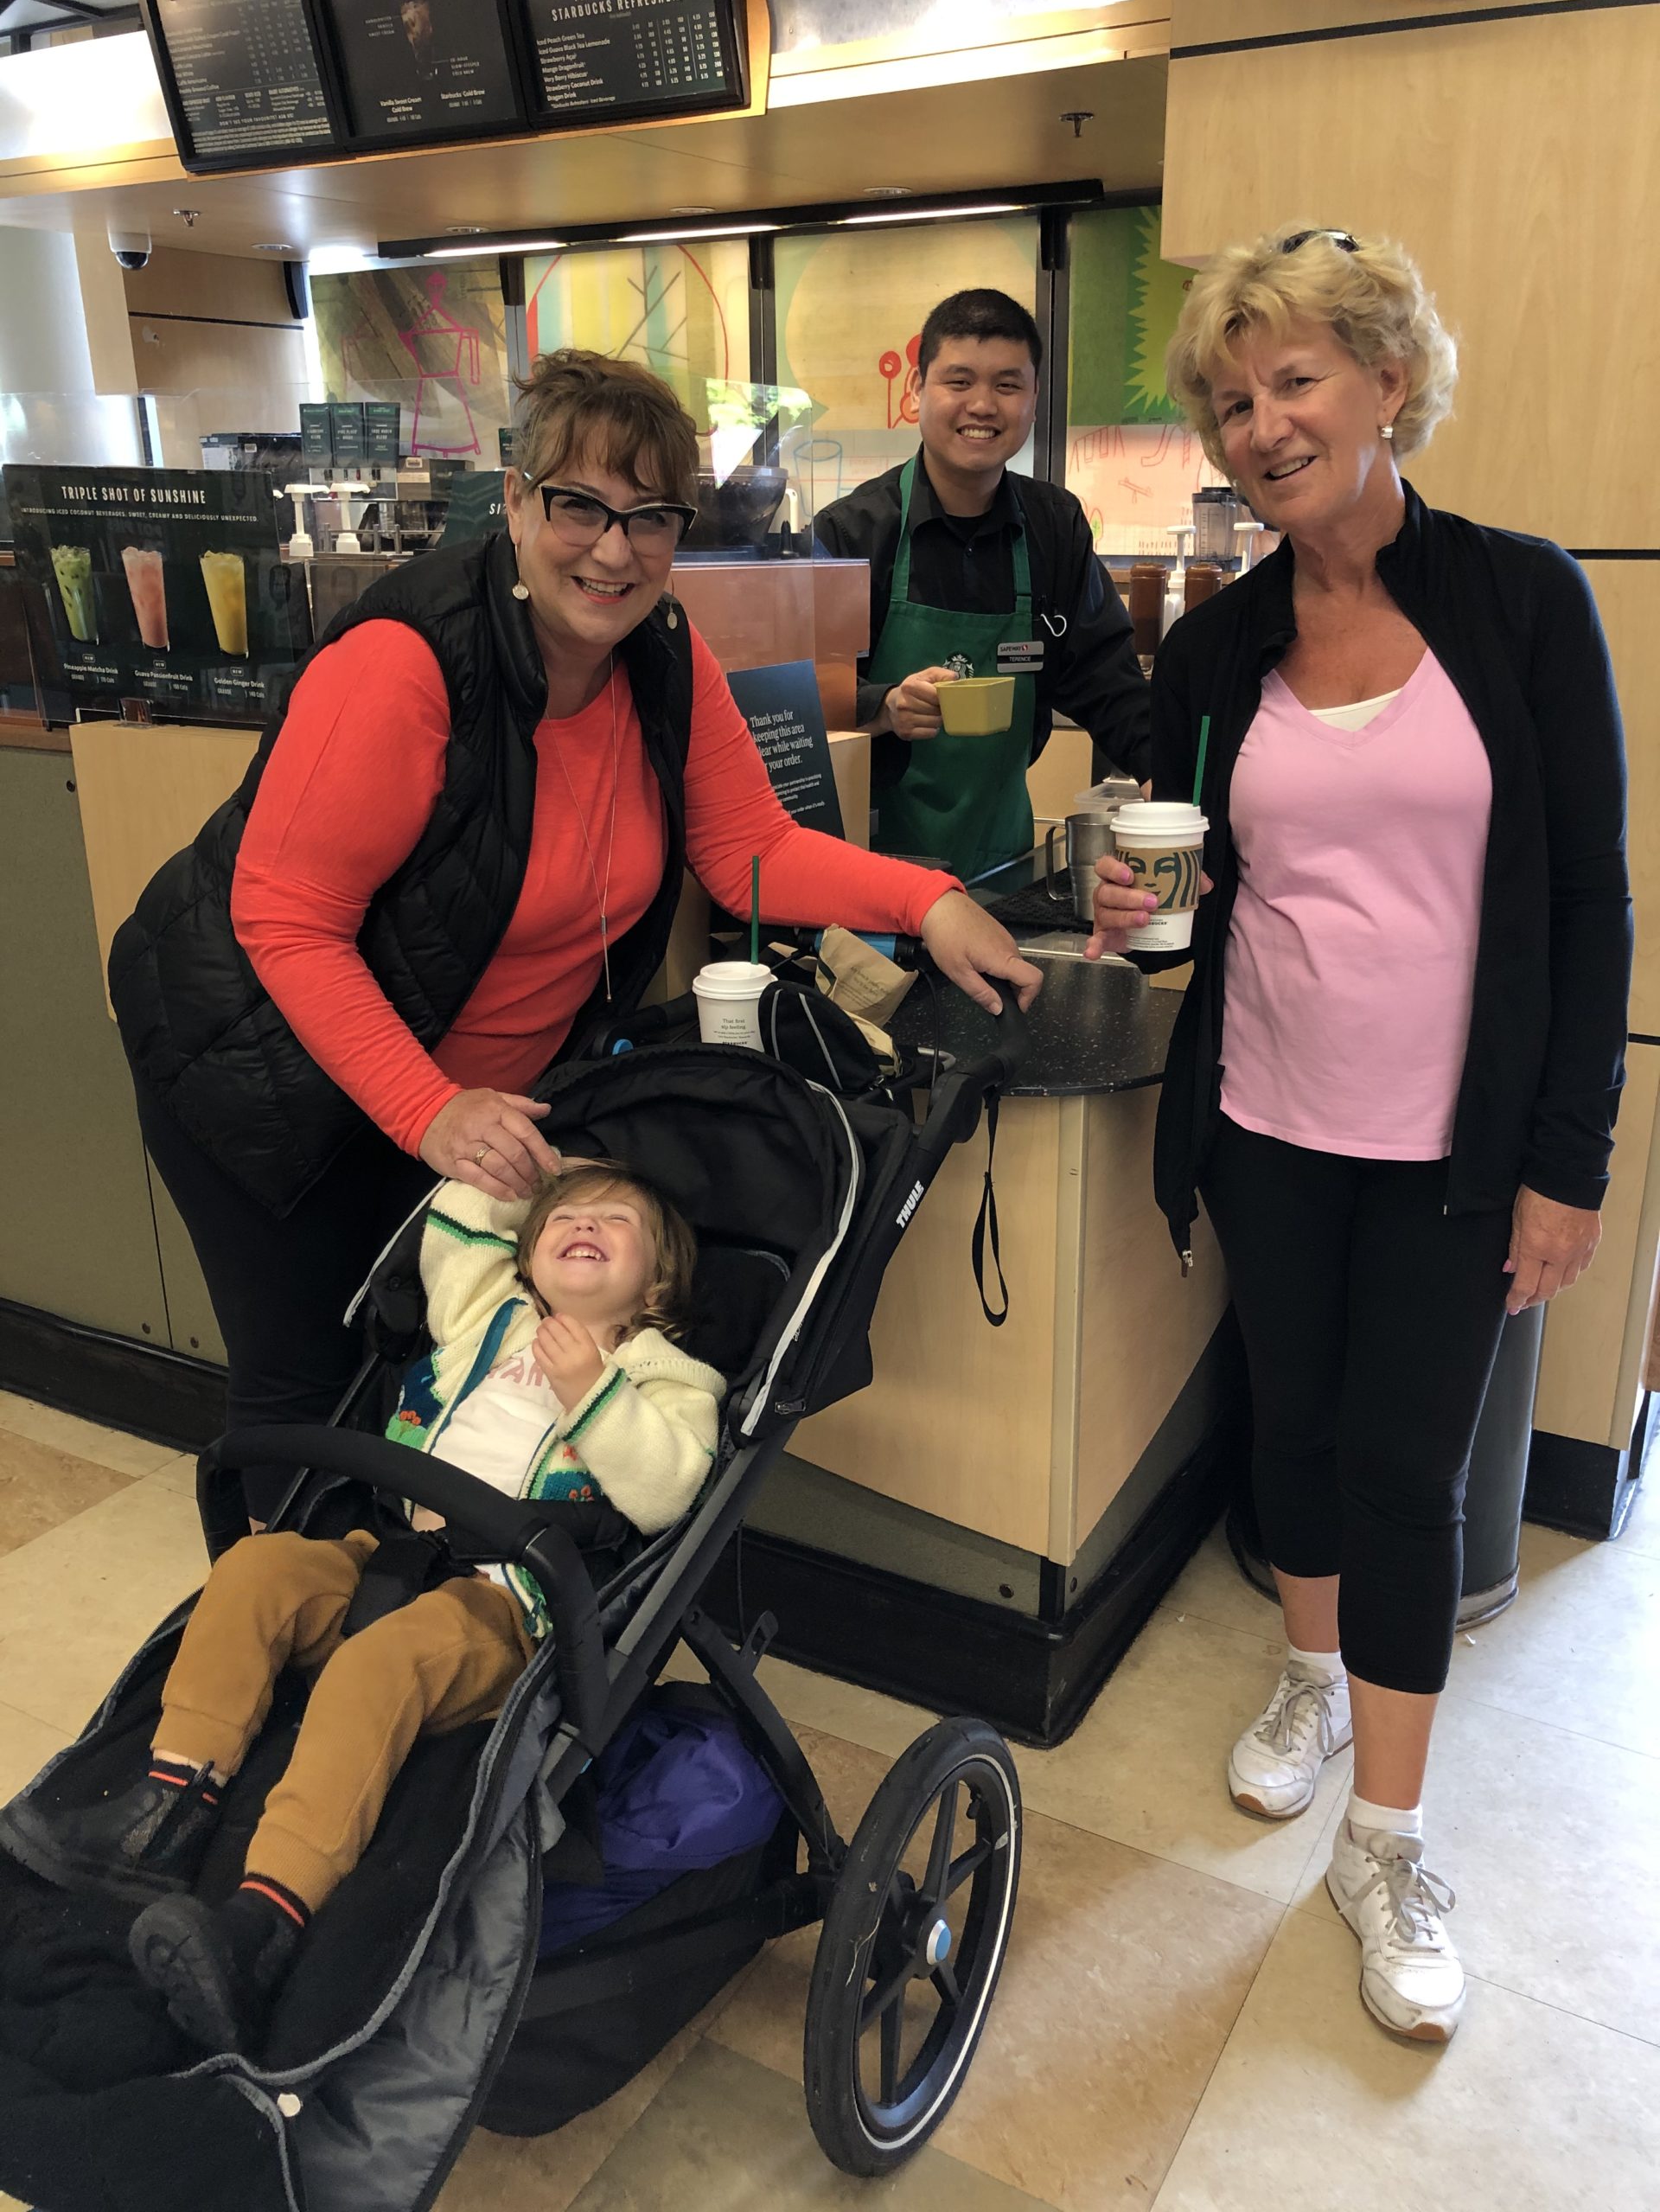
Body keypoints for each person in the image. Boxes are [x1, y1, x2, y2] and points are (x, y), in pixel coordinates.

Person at [109, 349, 1040, 1525]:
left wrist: (927, 899)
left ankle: (410, 1647)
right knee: (308, 1400)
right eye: (580, 507)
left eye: (651, 517)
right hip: (267, 1070)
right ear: (514, 499)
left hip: (458, 1093)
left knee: (428, 1379)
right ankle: (275, 1656)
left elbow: (745, 844)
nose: (614, 549)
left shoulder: (659, 654)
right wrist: (432, 1111)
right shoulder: (407, 666)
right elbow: (285, 922)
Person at [1089, 226, 1630, 2044]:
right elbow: (1201, 870)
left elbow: (1591, 898)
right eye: (1233, 401)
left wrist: (1572, 1156)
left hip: (1453, 1148)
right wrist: (1118, 895)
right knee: (1294, 1427)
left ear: (1393, 384)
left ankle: (1386, 1839)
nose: (1262, 424)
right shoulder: (1227, 635)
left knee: (1407, 1468)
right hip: (1264, 1113)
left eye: (1297, 379)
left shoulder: (1524, 598)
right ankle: (1311, 1677)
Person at [0, 1160, 722, 2053]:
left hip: (501, 1601)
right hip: (382, 1548)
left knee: (375, 1667)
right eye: (562, 1217)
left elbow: (668, 1489)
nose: (584, 1219)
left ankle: (265, 1918)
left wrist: (593, 1390)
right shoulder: (484, 1317)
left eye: (614, 1219)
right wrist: (544, 1169)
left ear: (654, 1283)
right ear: (529, 1257)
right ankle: (170, 1798)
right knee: (255, 1571)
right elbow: (458, 1217)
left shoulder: (667, 1376)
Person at [814, 287, 1149, 880]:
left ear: (1034, 399)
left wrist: (1163, 772)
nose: (983, 405)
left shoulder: (1054, 526)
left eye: (1007, 385)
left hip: (1001, 865)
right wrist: (885, 704)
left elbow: (1105, 677)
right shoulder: (854, 532)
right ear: (917, 392)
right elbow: (796, 694)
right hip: (869, 868)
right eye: (959, 381)